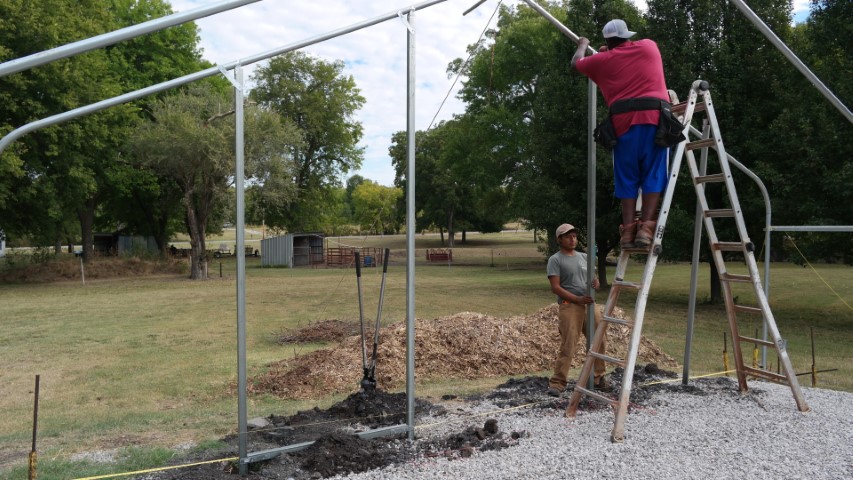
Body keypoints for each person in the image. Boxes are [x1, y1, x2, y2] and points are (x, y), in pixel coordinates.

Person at [571, 19, 670, 248]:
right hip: (655, 120)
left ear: (607, 40)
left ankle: (627, 232)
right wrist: (610, 51)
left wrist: (583, 44)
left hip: (623, 124)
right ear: (627, 36)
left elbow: (576, 63)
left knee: (627, 176)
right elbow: (626, 52)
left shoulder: (601, 62)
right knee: (654, 172)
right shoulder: (649, 46)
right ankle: (645, 227)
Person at [546, 223, 608, 396]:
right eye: (568, 236)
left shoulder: (584, 257)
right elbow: (556, 288)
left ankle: (598, 377)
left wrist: (596, 283)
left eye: (574, 236)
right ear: (559, 239)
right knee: (569, 344)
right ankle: (558, 383)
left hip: (589, 304)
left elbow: (593, 280)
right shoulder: (555, 259)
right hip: (569, 306)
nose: (572, 239)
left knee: (599, 340)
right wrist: (577, 299)